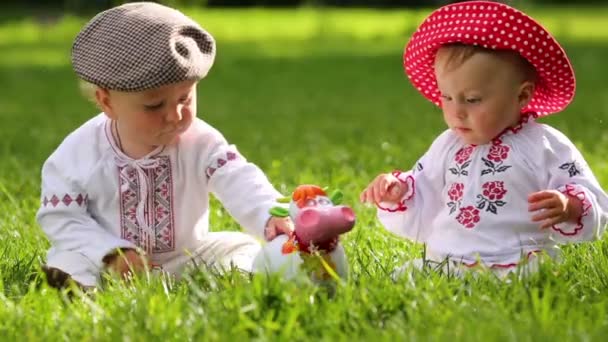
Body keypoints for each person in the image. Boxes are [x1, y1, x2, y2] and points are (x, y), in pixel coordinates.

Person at [37, 2, 293, 289]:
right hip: (110, 262)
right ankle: (81, 287)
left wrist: (269, 213)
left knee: (240, 245)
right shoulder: (78, 153)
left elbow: (237, 177)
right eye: (154, 105)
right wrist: (111, 252)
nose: (175, 115)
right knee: (67, 256)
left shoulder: (201, 141)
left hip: (186, 257)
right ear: (107, 102)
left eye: (185, 98)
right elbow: (62, 218)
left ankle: (237, 277)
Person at [360, 0, 608, 278]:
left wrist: (569, 206)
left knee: (533, 276)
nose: (456, 112)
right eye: (446, 97)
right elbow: (425, 187)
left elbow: (592, 196)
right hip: (446, 258)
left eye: (473, 100)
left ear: (522, 96)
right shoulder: (448, 145)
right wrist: (399, 191)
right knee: (407, 277)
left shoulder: (544, 145)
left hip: (519, 258)